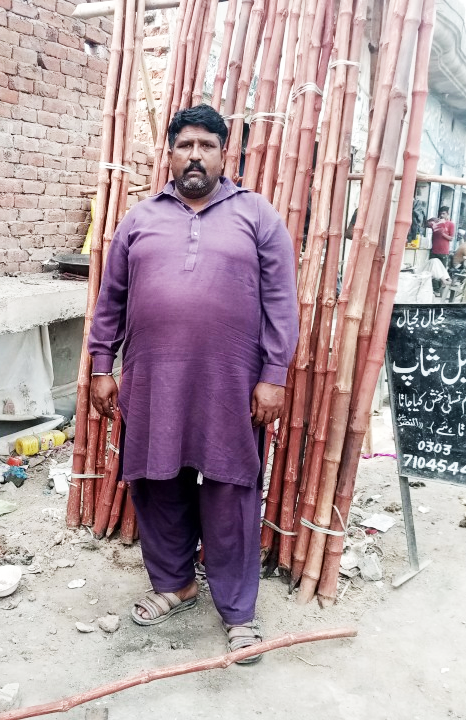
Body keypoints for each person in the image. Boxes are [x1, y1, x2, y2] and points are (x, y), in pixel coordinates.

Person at [87, 104, 299, 665]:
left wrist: (273, 376)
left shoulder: (257, 215)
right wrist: (100, 365)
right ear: (171, 154)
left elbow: (282, 302)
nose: (196, 155)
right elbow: (110, 300)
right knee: (155, 483)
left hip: (230, 381)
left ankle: (238, 613)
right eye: (186, 146)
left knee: (230, 489)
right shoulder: (138, 219)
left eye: (207, 145)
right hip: (154, 378)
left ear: (224, 154)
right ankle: (176, 584)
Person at [426, 206, 455, 292]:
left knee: (441, 271)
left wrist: (442, 234)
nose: (442, 215)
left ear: (447, 214)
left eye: (444, 213)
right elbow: (425, 225)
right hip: (434, 250)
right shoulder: (436, 223)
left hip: (443, 252)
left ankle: (439, 289)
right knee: (432, 270)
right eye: (440, 213)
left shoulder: (450, 224)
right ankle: (433, 289)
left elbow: (451, 238)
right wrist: (431, 220)